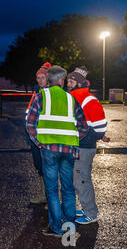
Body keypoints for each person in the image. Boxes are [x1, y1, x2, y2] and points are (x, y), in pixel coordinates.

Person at [26, 65, 88, 237]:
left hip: (48, 150)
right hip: (68, 150)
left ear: (50, 78)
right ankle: (70, 227)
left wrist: (39, 143)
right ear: (61, 80)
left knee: (52, 190)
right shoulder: (70, 99)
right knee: (68, 189)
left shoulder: (40, 97)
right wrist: (72, 140)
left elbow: (30, 124)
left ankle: (56, 227)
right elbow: (83, 127)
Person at [67, 66, 109, 225]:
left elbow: (100, 127)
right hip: (78, 146)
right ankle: (86, 208)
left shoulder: (88, 99)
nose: (68, 84)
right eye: (68, 81)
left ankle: (91, 213)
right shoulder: (73, 97)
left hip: (84, 147)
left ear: (79, 83)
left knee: (82, 180)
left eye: (71, 81)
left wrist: (87, 137)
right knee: (77, 178)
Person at [26, 62, 51, 205]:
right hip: (35, 137)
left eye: (42, 77)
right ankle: (44, 195)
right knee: (40, 167)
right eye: (38, 77)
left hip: (45, 137)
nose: (39, 80)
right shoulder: (37, 92)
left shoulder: (49, 93)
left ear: (48, 78)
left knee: (48, 168)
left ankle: (50, 199)